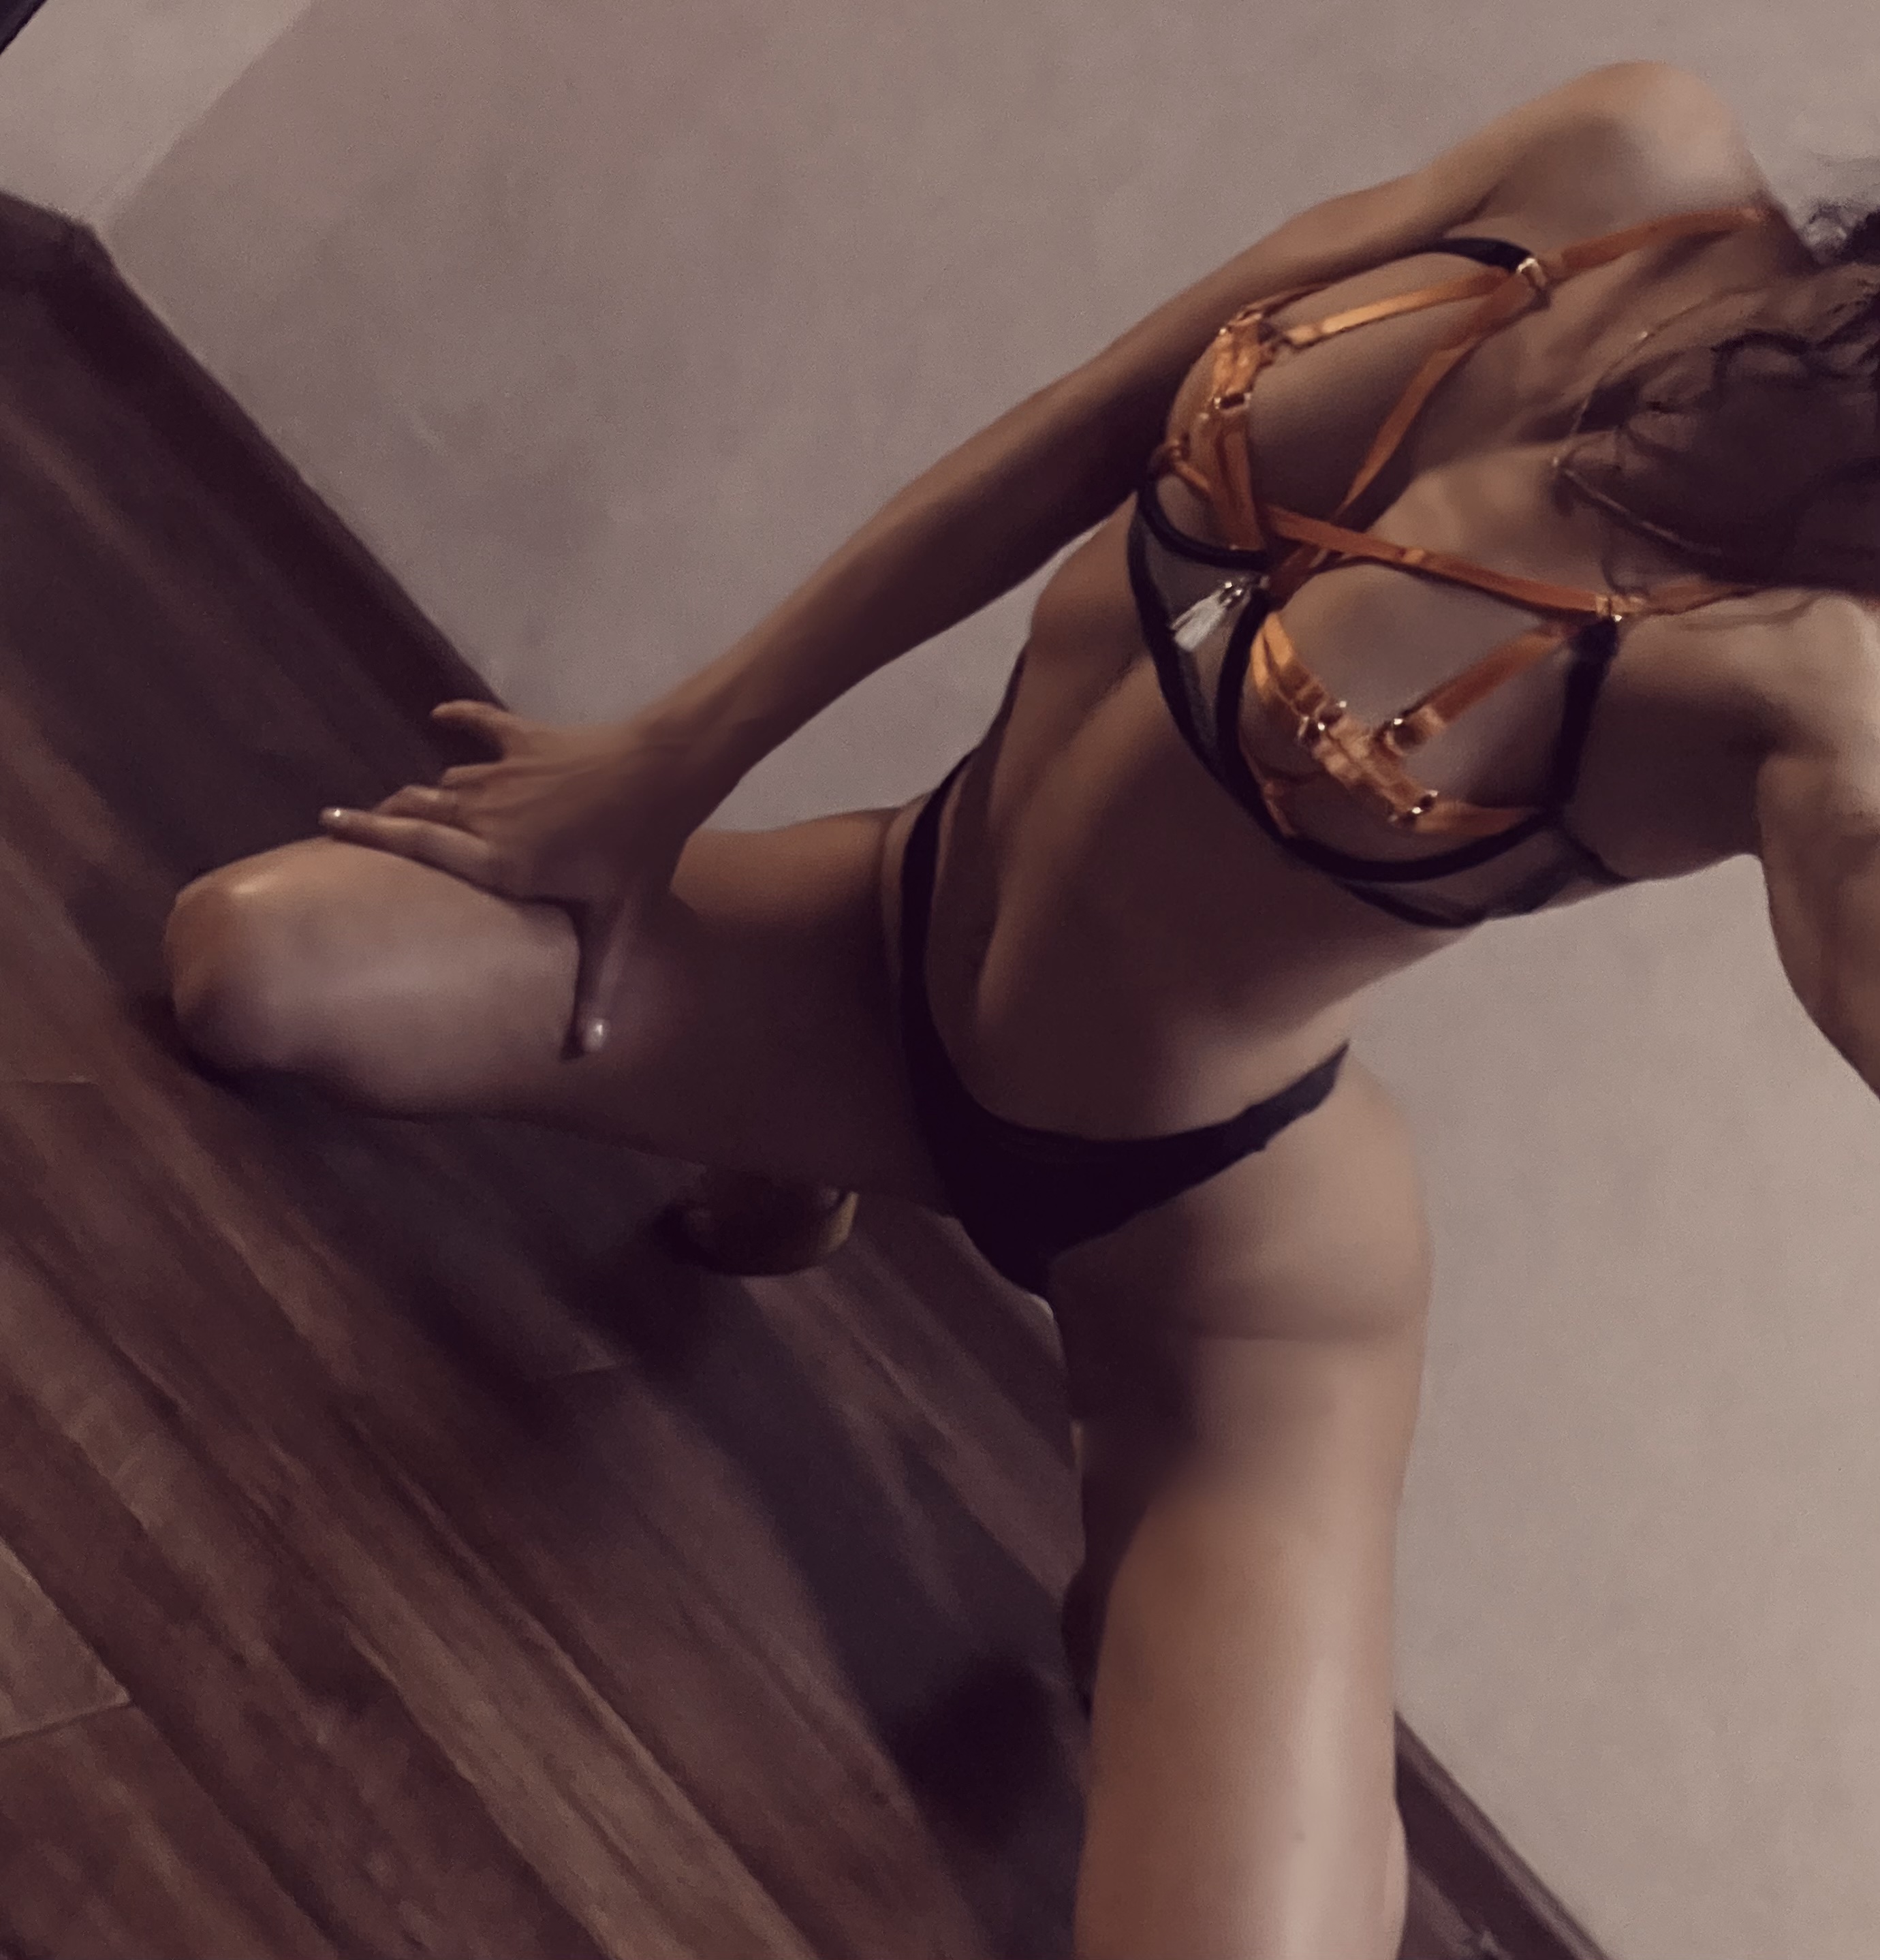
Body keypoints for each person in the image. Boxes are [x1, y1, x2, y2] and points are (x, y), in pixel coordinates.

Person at [161, 58, 1880, 1960]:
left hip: (1205, 1239)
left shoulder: (1820, 687)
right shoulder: (1627, 158)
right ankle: (797, 1156)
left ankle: (1149, 1560)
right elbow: (1089, 424)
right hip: (880, 947)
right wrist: (666, 763)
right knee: (254, 968)